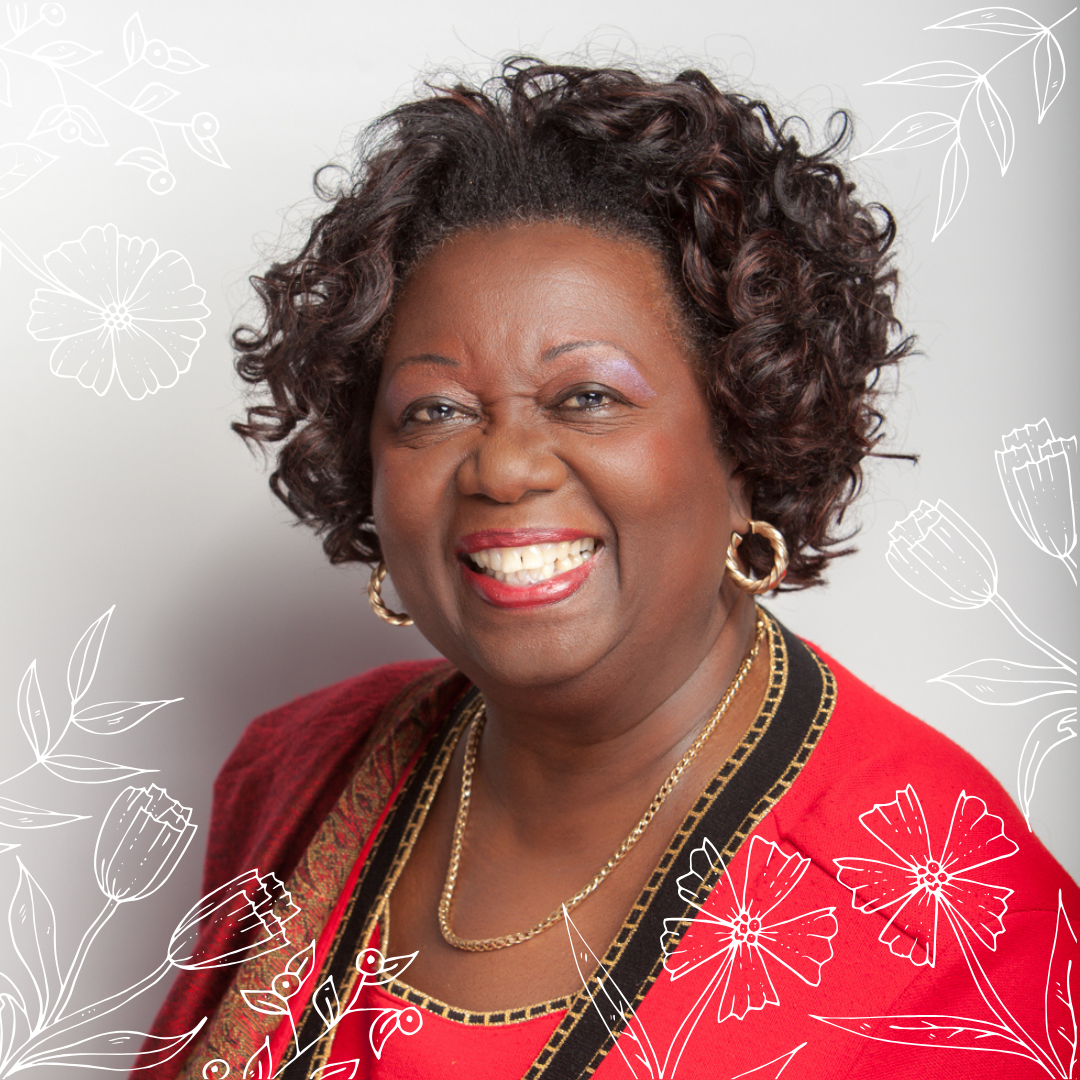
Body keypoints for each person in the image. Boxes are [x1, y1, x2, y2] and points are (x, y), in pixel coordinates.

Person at [143, 60, 1078, 1079]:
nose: (501, 465)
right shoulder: (295, 772)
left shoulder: (952, 918)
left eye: (587, 396)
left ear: (747, 445)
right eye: (435, 411)